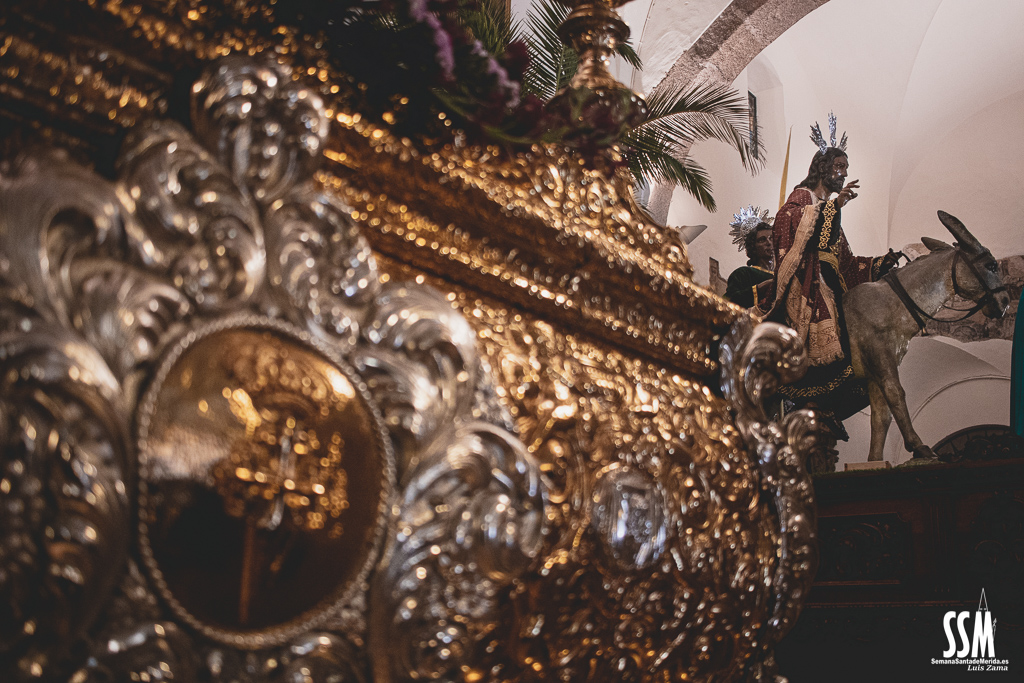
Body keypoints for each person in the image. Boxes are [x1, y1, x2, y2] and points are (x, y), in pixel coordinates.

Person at [757, 114, 901, 437]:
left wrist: (880, 263)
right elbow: (787, 223)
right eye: (839, 167)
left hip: (831, 284)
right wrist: (833, 207)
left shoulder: (827, 207)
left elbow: (846, 263)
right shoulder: (803, 198)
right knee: (825, 311)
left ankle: (832, 401)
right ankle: (813, 395)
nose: (844, 174)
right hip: (809, 282)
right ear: (822, 168)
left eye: (845, 169)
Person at [725, 206, 774, 308]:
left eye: (771, 238)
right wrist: (759, 289)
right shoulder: (743, 274)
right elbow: (728, 301)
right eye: (762, 240)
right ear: (753, 247)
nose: (769, 243)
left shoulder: (783, 274)